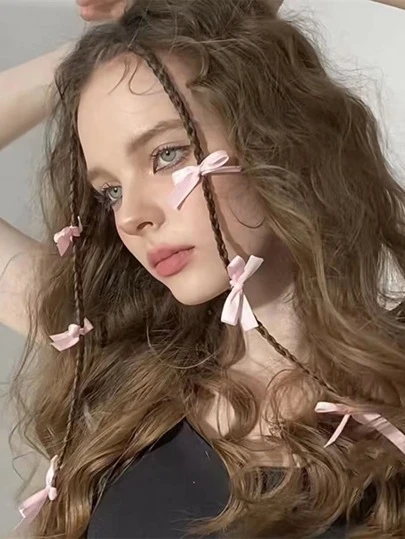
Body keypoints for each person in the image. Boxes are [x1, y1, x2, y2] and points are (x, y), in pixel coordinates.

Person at [1, 0, 405, 537]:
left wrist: (230, 13)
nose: (133, 216)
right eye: (110, 191)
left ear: (277, 134)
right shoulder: (121, 359)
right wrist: (116, 38)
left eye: (166, 155)